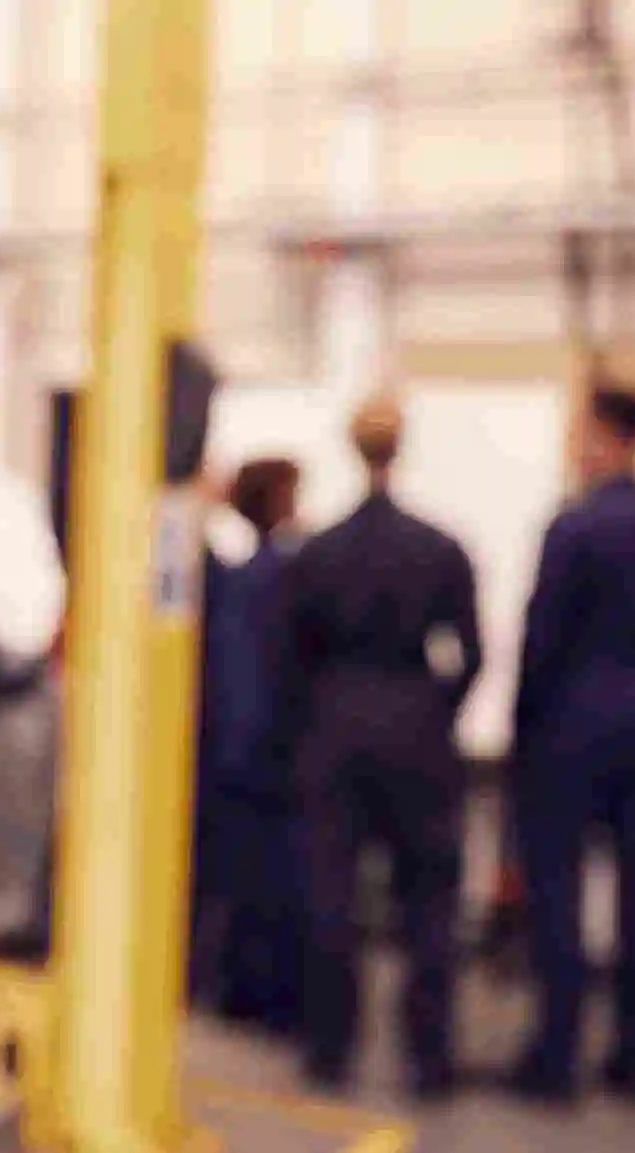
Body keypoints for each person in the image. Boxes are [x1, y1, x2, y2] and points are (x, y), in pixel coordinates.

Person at [505, 382, 635, 1106]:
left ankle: (556, 1057)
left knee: (557, 893)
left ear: (603, 437)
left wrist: (527, 726)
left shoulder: (574, 526)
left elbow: (543, 639)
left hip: (566, 731)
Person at [282, 396, 481, 1101]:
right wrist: (435, 710)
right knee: (428, 901)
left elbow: (291, 658)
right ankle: (430, 1058)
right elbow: (471, 652)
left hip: (337, 730)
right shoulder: (440, 545)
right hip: (417, 729)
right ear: (401, 448)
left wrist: (323, 714)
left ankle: (331, 1050)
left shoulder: (318, 550)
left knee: (332, 895)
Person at [192, 457, 305, 1036]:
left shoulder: (242, 575)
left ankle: (237, 986)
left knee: (237, 879)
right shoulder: (273, 575)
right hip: (260, 753)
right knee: (264, 881)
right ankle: (258, 994)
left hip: (241, 749)